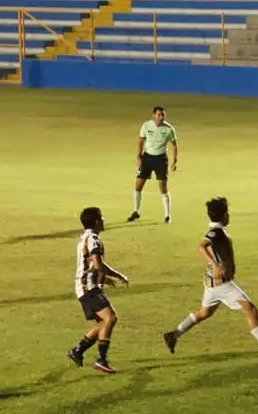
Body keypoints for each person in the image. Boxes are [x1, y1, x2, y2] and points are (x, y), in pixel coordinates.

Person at [163, 197, 258, 360]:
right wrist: (214, 263)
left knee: (204, 313)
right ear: (223, 216)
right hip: (222, 285)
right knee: (251, 310)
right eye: (227, 213)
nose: (228, 216)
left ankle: (174, 334)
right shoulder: (217, 233)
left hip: (212, 284)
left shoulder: (218, 231)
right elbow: (201, 246)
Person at [67, 207, 129, 374]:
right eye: (101, 218)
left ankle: (77, 351)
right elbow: (97, 263)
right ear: (96, 222)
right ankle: (101, 360)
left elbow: (90, 265)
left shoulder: (85, 238)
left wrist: (104, 278)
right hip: (88, 288)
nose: (103, 220)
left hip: (86, 286)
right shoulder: (93, 239)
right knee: (111, 318)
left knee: (104, 322)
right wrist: (117, 275)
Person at [128, 106, 179, 224]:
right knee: (138, 185)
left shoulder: (169, 129)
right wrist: (139, 156)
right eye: (159, 115)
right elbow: (140, 141)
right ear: (153, 115)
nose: (161, 117)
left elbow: (175, 144)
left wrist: (174, 160)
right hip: (147, 158)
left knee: (163, 187)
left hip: (160, 159)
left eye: (163, 115)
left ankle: (167, 215)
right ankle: (136, 211)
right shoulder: (146, 126)